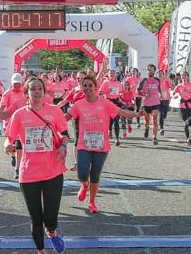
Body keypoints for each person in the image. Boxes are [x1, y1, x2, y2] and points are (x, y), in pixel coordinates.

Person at [4, 77, 71, 254]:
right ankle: (41, 253)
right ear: (27, 93)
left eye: (40, 88)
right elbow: (9, 138)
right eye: (32, 89)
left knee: (50, 216)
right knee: (35, 217)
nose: (37, 92)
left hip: (53, 170)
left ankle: (53, 232)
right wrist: (8, 145)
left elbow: (65, 135)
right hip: (29, 172)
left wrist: (63, 147)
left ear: (45, 91)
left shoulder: (55, 111)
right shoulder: (19, 115)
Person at [67, 75, 141, 213]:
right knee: (82, 173)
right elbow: (66, 117)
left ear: (96, 87)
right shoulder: (78, 104)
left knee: (95, 175)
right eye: (85, 85)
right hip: (84, 144)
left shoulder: (104, 103)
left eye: (90, 85)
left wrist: (136, 115)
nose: (88, 88)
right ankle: (84, 185)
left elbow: (121, 112)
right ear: (82, 88)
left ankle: (92, 202)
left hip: (101, 146)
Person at [0, 74, 28, 180]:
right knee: (11, 147)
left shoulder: (25, 93)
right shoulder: (7, 94)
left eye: (19, 84)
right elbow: (1, 108)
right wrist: (0, 116)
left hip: (22, 123)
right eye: (15, 84)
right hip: (9, 123)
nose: (17, 86)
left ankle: (17, 169)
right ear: (12, 83)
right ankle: (13, 156)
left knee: (20, 147)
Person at [99, 68, 125, 145]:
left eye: (113, 73)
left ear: (115, 75)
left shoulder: (118, 83)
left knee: (116, 120)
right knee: (110, 119)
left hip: (116, 101)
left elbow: (120, 92)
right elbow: (100, 92)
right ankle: (109, 131)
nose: (111, 75)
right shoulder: (105, 83)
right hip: (108, 101)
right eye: (110, 73)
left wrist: (120, 96)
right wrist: (106, 92)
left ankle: (117, 139)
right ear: (108, 75)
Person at [137, 64, 162, 145]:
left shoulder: (157, 80)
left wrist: (160, 95)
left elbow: (159, 90)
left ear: (154, 71)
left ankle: (154, 137)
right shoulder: (143, 80)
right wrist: (144, 95)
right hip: (146, 103)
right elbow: (138, 91)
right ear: (147, 71)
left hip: (155, 103)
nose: (150, 71)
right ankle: (147, 127)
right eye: (149, 70)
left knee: (155, 118)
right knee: (147, 120)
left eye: (152, 70)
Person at [173, 70, 191, 145]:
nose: (183, 76)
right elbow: (173, 93)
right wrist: (174, 96)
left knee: (189, 123)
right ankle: (188, 138)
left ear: (187, 76)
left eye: (184, 75)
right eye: (182, 75)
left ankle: (188, 134)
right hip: (182, 106)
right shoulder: (179, 85)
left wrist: (189, 91)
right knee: (185, 123)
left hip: (190, 105)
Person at [156, 69, 173, 136]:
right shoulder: (156, 81)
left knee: (164, 114)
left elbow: (171, 87)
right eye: (159, 73)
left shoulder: (166, 80)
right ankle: (161, 129)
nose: (160, 74)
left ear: (163, 74)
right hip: (158, 100)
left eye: (161, 73)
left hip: (166, 99)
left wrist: (167, 80)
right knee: (161, 114)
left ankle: (162, 120)